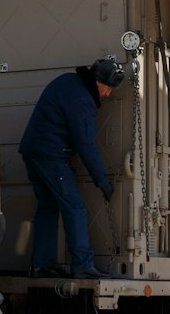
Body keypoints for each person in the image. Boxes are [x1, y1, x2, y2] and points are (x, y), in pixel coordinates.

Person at [18, 55, 126, 278]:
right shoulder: (82, 99)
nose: (108, 94)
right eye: (107, 88)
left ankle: (41, 264)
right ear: (97, 82)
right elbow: (85, 143)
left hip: (33, 152)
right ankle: (82, 265)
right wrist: (102, 181)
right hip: (50, 156)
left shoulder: (69, 81)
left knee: (47, 207)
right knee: (74, 207)